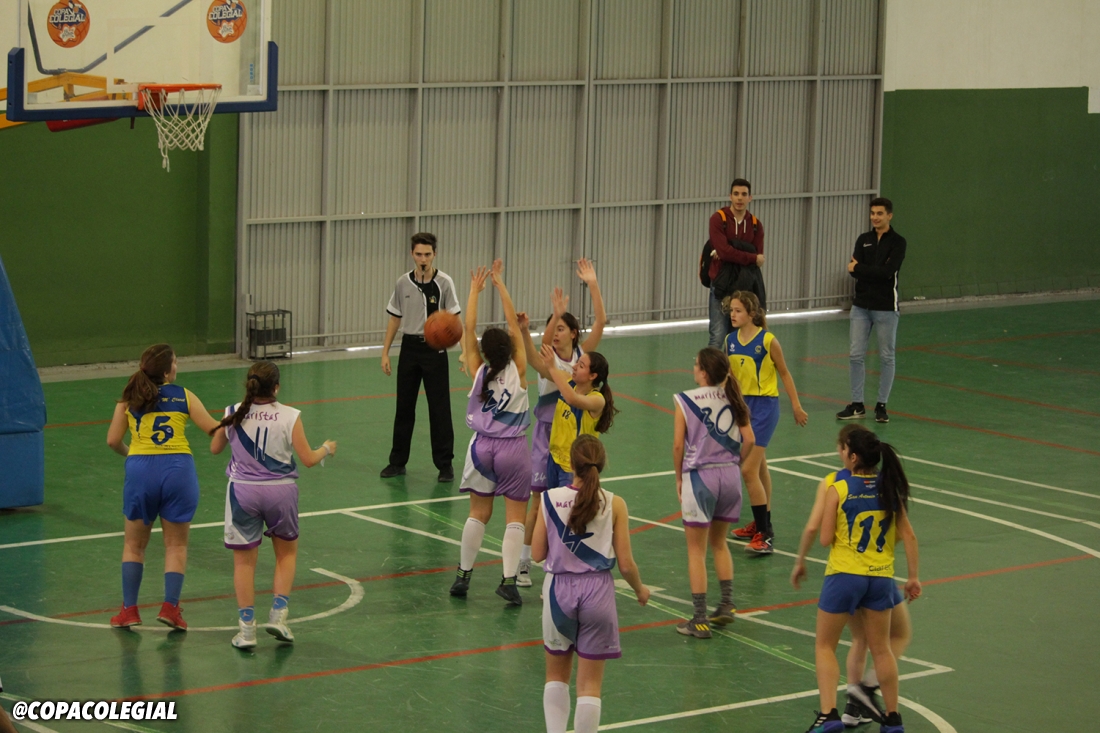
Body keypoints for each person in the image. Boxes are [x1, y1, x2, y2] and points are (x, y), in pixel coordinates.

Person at [792, 426, 921, 733]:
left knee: (825, 645)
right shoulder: (888, 487)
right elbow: (909, 535)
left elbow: (825, 538)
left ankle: (829, 715)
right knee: (882, 649)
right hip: (880, 577)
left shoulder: (838, 487)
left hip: (845, 575)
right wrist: (913, 577)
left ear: (852, 456)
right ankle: (892, 719)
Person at [209, 361, 337, 649]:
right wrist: (327, 448)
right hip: (281, 492)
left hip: (243, 492)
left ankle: (246, 631)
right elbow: (308, 459)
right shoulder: (290, 416)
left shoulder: (232, 412)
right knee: (286, 555)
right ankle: (278, 617)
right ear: (276, 387)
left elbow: (215, 448)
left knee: (244, 562)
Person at [533, 435, 649, 733]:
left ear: (571, 464)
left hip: (558, 592)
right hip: (598, 593)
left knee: (556, 676)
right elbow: (626, 564)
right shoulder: (615, 504)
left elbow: (536, 553)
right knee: (590, 686)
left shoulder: (549, 499)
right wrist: (640, 589)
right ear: (602, 463)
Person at [105, 344, 221, 630]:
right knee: (176, 545)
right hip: (178, 471)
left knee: (134, 545)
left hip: (141, 470)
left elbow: (112, 440)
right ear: (167, 372)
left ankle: (129, 610)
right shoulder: (184, 395)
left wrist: (132, 453)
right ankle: (170, 608)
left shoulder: (129, 397)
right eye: (176, 363)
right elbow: (215, 430)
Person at [517, 262, 607, 587]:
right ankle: (524, 561)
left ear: (573, 333)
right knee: (538, 501)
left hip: (572, 443)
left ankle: (563, 562)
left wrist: (592, 284)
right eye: (552, 329)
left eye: (560, 328)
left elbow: (600, 322)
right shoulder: (551, 360)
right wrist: (532, 328)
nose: (554, 333)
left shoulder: (582, 360)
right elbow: (534, 356)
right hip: (546, 435)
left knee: (568, 503)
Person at [449, 261, 531, 606]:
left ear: (484, 352)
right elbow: (513, 324)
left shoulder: (477, 370)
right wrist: (500, 285)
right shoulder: (519, 368)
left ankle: (463, 575)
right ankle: (509, 581)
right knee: (515, 517)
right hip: (513, 449)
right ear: (511, 349)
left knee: (477, 513)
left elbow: (467, 328)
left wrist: (474, 291)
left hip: (481, 448)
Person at [672, 347, 755, 639]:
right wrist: (735, 463)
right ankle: (727, 604)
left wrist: (678, 477)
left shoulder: (685, 399)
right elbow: (749, 439)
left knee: (696, 550)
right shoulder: (733, 397)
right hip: (730, 476)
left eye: (696, 364)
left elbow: (678, 446)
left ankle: (699, 619)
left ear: (704, 372)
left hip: (700, 478)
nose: (693, 368)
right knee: (720, 543)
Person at [723, 291, 808, 554]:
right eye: (731, 310)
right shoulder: (729, 341)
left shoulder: (768, 341)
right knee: (759, 468)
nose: (733, 315)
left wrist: (796, 405)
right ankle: (762, 521)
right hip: (743, 408)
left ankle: (765, 534)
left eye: (738, 310)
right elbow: (729, 378)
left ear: (752, 313)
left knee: (748, 470)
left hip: (764, 408)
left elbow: (785, 373)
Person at [379, 232, 463, 482]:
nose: (423, 259)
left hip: (435, 351)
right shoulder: (402, 282)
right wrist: (385, 352)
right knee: (404, 407)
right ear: (412, 254)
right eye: (419, 254)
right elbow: (395, 318)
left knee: (440, 409)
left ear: (434, 254)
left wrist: (465, 352)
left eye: (427, 254)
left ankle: (445, 465)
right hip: (409, 348)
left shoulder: (444, 282)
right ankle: (397, 462)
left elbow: (455, 321)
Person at [837, 198, 907, 425]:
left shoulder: (898, 243)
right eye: (873, 213)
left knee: (887, 356)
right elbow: (852, 271)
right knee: (856, 355)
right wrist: (864, 270)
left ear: (889, 216)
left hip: (886, 308)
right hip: (860, 307)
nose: (875, 217)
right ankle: (857, 404)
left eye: (879, 213)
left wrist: (860, 268)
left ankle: (881, 405)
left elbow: (887, 272)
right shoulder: (863, 239)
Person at [534, 341, 618, 492]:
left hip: (572, 468)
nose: (574, 367)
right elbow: (536, 363)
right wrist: (523, 333)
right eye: (577, 363)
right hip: (554, 460)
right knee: (554, 503)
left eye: (581, 366)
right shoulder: (568, 382)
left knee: (568, 506)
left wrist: (552, 367)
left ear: (593, 376)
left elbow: (572, 399)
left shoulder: (597, 400)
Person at [707, 178, 765, 348]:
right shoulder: (718, 219)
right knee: (717, 337)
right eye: (736, 194)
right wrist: (750, 257)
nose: (740, 198)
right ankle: (712, 366)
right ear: (730, 196)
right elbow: (751, 257)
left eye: (744, 194)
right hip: (721, 286)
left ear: (750, 198)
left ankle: (732, 367)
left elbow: (757, 259)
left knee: (736, 338)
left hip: (744, 288)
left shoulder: (756, 225)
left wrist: (730, 251)